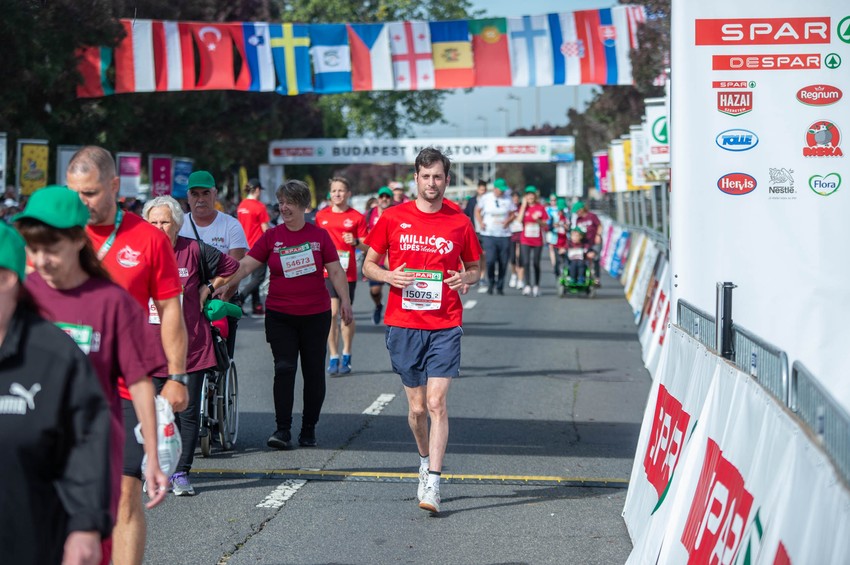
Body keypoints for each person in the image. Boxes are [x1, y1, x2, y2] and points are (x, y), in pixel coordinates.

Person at [13, 187, 170, 564]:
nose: (41, 260)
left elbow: (138, 381)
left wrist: (153, 452)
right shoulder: (21, 296)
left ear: (78, 240)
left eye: (51, 249)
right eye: (33, 251)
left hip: (90, 456)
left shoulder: (111, 302)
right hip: (29, 455)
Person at [66, 146, 187, 565]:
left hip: (126, 386)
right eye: (76, 193)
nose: (83, 202)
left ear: (115, 187)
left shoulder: (149, 239)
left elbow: (171, 309)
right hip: (62, 387)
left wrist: (176, 376)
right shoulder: (56, 234)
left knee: (123, 497)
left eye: (92, 193)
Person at [363, 147, 482, 514]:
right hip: (403, 323)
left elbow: (476, 267)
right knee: (416, 410)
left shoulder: (459, 221)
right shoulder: (392, 218)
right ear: (416, 178)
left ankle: (434, 482)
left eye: (439, 177)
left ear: (447, 180)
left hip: (445, 322)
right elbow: (368, 265)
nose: (432, 183)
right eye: (426, 176)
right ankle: (423, 457)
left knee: (436, 403)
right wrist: (388, 275)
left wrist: (467, 277)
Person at [0, 222, 111, 565]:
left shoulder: (55, 357)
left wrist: (85, 527)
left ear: (7, 279)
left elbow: (86, 444)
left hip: (30, 539)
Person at [220, 180, 352, 450]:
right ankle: (282, 430)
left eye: (290, 202)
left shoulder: (319, 236)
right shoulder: (272, 237)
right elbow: (246, 266)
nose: (284, 207)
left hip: (315, 314)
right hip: (280, 314)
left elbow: (336, 271)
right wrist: (221, 284)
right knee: (284, 368)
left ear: (305, 206)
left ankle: (308, 428)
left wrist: (346, 302)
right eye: (281, 202)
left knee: (314, 372)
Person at [143, 196, 240, 496]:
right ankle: (155, 469)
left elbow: (232, 266)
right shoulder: (137, 253)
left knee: (185, 412)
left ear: (177, 224)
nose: (159, 227)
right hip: (147, 345)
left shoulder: (193, 249)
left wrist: (208, 287)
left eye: (165, 222)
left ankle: (181, 472)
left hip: (190, 345)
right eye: (154, 222)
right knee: (152, 412)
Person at [178, 170, 248, 356]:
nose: (200, 199)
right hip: (185, 299)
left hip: (221, 295)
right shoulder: (178, 224)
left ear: (214, 194)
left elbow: (236, 269)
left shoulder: (231, 225)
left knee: (220, 357)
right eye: (195, 194)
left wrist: (220, 298)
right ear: (188, 196)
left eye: (205, 193)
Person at [315, 177, 368, 375]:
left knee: (346, 314)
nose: (337, 194)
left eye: (341, 190)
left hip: (348, 273)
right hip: (326, 271)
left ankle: (347, 352)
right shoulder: (321, 216)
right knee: (332, 312)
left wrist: (354, 241)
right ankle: (334, 355)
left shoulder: (356, 217)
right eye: (334, 190)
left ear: (348, 194)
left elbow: (367, 245)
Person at [474, 177, 516, 295]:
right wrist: (481, 222)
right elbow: (477, 211)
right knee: (490, 260)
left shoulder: (508, 199)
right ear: (495, 189)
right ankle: (491, 282)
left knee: (503, 261)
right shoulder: (486, 198)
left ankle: (500, 285)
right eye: (500, 189)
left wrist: (508, 221)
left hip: (504, 234)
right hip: (489, 234)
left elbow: (513, 214)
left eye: (503, 190)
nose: (502, 192)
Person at [236, 178, 270, 315]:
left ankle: (257, 306)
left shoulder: (241, 206)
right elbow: (265, 229)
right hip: (258, 246)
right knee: (259, 277)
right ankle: (240, 298)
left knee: (254, 276)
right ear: (256, 190)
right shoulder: (259, 206)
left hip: (245, 246)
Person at [365, 186, 395, 325]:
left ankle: (397, 316)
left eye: (387, 197)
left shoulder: (397, 213)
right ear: (378, 198)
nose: (384, 199)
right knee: (375, 290)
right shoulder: (370, 214)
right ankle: (378, 306)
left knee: (397, 288)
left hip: (393, 258)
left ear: (391, 199)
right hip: (376, 257)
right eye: (382, 196)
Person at [517, 186, 549, 297]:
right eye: (528, 194)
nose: (530, 196)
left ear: (535, 196)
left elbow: (545, 224)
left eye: (532, 194)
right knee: (525, 262)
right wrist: (524, 206)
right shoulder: (523, 207)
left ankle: (536, 285)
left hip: (537, 239)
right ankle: (527, 285)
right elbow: (519, 220)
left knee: (535, 263)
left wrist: (538, 220)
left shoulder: (540, 208)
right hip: (525, 239)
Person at [464, 180, 488, 292]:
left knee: (484, 255)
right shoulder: (472, 201)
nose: (483, 192)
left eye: (484, 190)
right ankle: (474, 276)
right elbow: (466, 214)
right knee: (475, 256)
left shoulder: (490, 200)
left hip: (486, 232)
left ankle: (482, 276)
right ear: (478, 189)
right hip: (474, 231)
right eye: (481, 189)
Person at [572, 201, 603, 285]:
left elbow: (599, 225)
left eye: (577, 211)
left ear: (581, 209)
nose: (577, 213)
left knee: (594, 257)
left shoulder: (591, 216)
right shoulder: (578, 220)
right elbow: (577, 232)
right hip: (585, 243)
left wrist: (598, 235)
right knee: (583, 258)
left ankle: (596, 278)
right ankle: (585, 276)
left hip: (595, 241)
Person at [507, 190, 523, 288]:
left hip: (521, 235)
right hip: (511, 235)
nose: (515, 199)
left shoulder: (522, 207)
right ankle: (513, 275)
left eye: (517, 198)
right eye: (513, 198)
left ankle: (521, 279)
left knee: (520, 257)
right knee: (512, 258)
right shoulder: (508, 208)